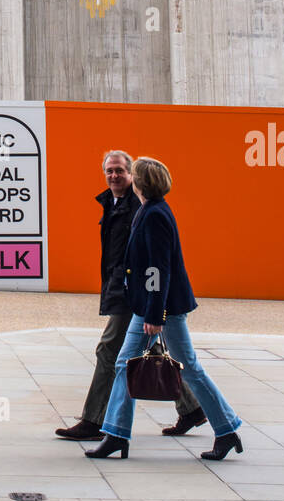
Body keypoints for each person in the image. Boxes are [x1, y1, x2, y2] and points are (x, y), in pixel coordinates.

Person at [87, 156, 243, 462]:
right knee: (123, 364)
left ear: (142, 181)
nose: (126, 176)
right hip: (147, 307)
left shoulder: (155, 214)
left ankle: (226, 430)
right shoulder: (147, 210)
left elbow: (159, 270)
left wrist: (155, 315)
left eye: (132, 173)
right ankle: (117, 434)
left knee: (191, 369)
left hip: (162, 308)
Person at [55, 150, 204, 441]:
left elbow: (152, 262)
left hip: (132, 291)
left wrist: (149, 305)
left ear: (131, 174)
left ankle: (93, 421)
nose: (114, 176)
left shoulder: (141, 206)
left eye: (120, 171)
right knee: (152, 351)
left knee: (109, 351)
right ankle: (191, 407)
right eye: (109, 171)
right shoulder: (113, 202)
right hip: (121, 287)